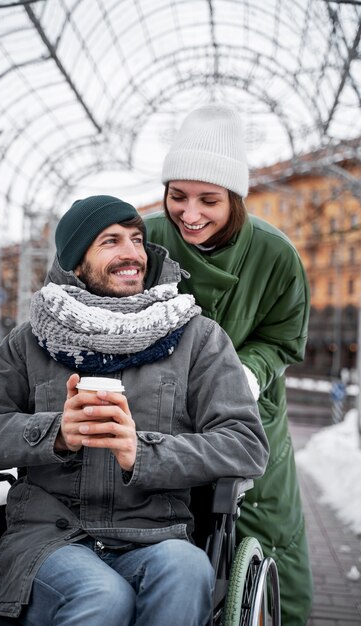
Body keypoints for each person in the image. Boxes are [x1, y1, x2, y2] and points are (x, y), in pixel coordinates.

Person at [0, 195, 269, 626]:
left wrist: (144, 452)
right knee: (104, 595)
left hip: (157, 536)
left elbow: (245, 446)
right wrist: (54, 433)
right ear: (77, 262)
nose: (133, 253)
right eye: (111, 242)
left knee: (190, 570)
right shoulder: (30, 343)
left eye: (136, 239)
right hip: (49, 541)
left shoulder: (199, 339)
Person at [145, 104, 313, 625]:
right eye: (178, 196)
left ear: (235, 199)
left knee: (267, 531)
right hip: (159, 417)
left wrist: (244, 370)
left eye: (208, 200)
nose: (190, 213)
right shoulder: (143, 238)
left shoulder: (276, 255)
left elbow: (283, 339)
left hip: (250, 414)